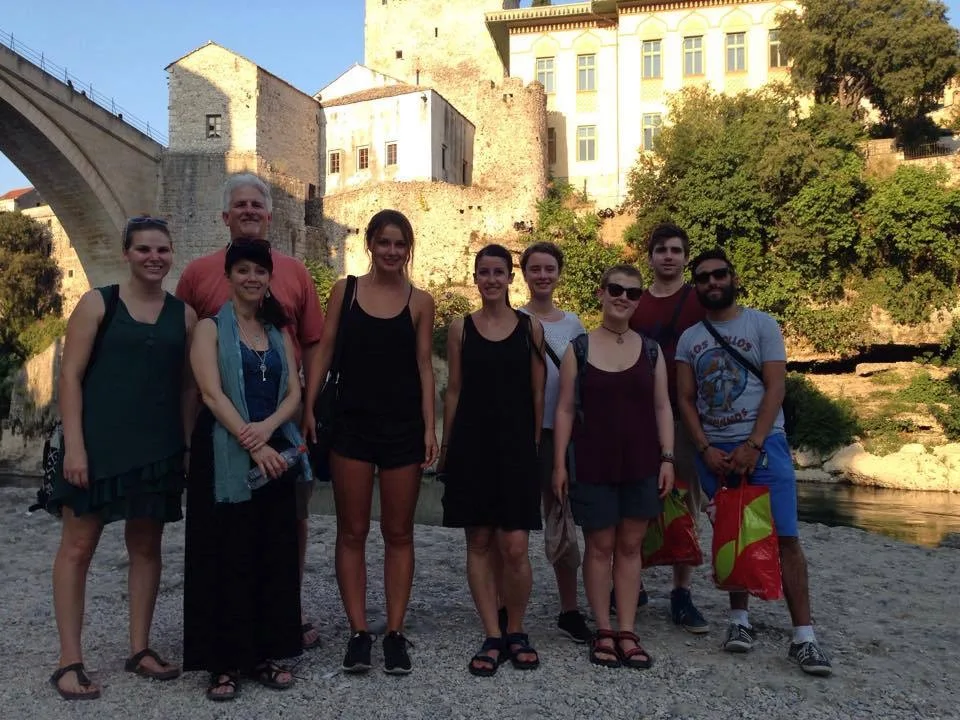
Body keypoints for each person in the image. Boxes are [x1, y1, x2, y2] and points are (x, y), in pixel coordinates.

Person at [175, 172, 325, 650]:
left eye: (256, 205)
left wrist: (306, 410)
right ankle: (229, 642)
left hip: (281, 427)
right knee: (224, 536)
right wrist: (187, 435)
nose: (248, 211)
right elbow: (190, 366)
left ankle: (284, 617)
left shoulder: (296, 275)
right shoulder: (197, 276)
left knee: (285, 527)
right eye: (240, 205)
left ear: (269, 216)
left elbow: (312, 344)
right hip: (222, 431)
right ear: (225, 215)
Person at [48, 216, 196, 701]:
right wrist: (75, 446)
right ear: (127, 253)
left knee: (147, 548)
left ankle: (139, 649)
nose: (154, 257)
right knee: (78, 548)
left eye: (162, 250)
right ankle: (69, 660)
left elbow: (188, 388)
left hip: (157, 447)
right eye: (144, 249)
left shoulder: (185, 316)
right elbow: (70, 377)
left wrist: (185, 446)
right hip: (97, 445)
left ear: (171, 255)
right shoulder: (99, 303)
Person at [675, 248, 833, 677]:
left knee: (786, 537)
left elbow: (776, 387)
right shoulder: (690, 339)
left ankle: (804, 637)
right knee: (733, 533)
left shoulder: (762, 324)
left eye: (719, 274)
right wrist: (704, 448)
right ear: (696, 286)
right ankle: (739, 620)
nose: (712, 282)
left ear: (733, 277)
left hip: (765, 446)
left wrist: (754, 443)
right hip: (715, 450)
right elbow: (685, 399)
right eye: (703, 278)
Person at [301, 210, 437, 675]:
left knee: (399, 533)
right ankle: (359, 632)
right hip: (351, 424)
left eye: (400, 244)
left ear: (408, 249)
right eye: (385, 242)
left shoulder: (421, 301)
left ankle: (395, 632)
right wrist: (309, 405)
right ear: (371, 245)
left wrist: (430, 427)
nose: (392, 252)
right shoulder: (346, 290)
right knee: (352, 531)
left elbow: (424, 366)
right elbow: (325, 347)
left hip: (402, 427)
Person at [183, 237, 312, 701]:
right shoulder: (209, 330)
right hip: (225, 454)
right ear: (229, 276)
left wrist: (268, 431)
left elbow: (294, 394)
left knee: (270, 554)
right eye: (243, 270)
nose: (252, 278)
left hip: (273, 454)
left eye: (260, 270)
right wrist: (251, 442)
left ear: (269, 277)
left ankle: (263, 654)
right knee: (225, 556)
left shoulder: (277, 331)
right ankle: (223, 662)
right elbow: (211, 394)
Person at [552, 264, 675, 670]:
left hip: (641, 462)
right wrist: (559, 464)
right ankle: (603, 629)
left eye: (633, 293)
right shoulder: (579, 349)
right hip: (592, 462)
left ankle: (627, 629)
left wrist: (668, 458)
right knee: (600, 547)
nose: (624, 297)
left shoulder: (651, 351)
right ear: (601, 293)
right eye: (616, 289)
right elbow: (565, 408)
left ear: (639, 301)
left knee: (630, 547)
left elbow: (663, 406)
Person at [440, 244, 545, 677]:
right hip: (472, 446)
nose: (491, 280)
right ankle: (492, 633)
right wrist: (446, 447)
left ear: (510, 278)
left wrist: (534, 447)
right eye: (484, 272)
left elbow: (538, 391)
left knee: (515, 546)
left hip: (515, 447)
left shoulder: (530, 328)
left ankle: (516, 628)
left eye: (499, 272)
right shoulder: (460, 328)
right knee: (479, 542)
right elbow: (454, 390)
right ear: (475, 278)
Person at [627, 223, 709, 633]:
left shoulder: (699, 301)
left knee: (685, 503)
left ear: (685, 257)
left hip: (685, 414)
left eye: (676, 250)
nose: (668, 256)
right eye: (661, 250)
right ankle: (634, 582)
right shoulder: (634, 302)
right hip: (639, 415)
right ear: (651, 257)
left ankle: (681, 591)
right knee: (636, 499)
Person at [516, 242, 591, 644]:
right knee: (514, 523)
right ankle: (510, 607)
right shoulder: (513, 319)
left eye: (549, 268)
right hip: (520, 432)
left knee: (561, 517)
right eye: (536, 269)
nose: (543, 275)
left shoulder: (574, 324)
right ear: (524, 274)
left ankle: (569, 608)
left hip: (560, 433)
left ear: (559, 273)